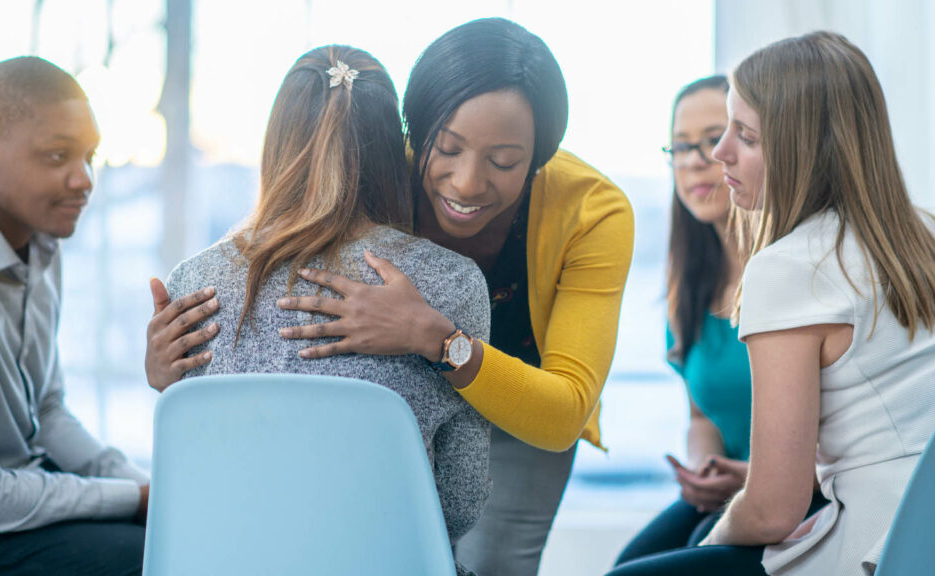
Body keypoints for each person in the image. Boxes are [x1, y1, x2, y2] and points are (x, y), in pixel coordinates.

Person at [145, 18, 634, 576]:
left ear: (541, 157)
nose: (468, 183)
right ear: (411, 130)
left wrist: (435, 339)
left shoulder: (593, 211)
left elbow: (563, 412)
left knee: (496, 562)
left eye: (504, 162)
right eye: (445, 148)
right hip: (417, 451)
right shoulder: (369, 161)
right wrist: (166, 368)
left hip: (529, 404)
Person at [609, 31, 935, 576]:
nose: (718, 153)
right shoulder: (932, 238)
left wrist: (707, 549)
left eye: (744, 136)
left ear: (805, 149)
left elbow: (773, 510)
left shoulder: (787, 267)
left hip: (876, 545)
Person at [161, 45, 491, 576]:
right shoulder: (451, 283)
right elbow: (460, 503)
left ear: (276, 142)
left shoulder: (194, 281)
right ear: (392, 149)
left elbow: (190, 472)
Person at [613, 76, 828, 567]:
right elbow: (701, 417)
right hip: (730, 490)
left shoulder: (793, 274)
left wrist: (755, 475)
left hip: (803, 498)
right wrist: (702, 468)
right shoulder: (687, 287)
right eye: (681, 146)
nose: (695, 159)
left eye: (714, 139)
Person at [0, 56, 149, 576]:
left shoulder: (41, 242)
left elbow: (49, 410)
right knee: (150, 559)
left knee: (175, 530)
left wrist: (145, 487)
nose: (83, 179)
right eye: (58, 155)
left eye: (89, 156)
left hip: (18, 495)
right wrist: (131, 497)